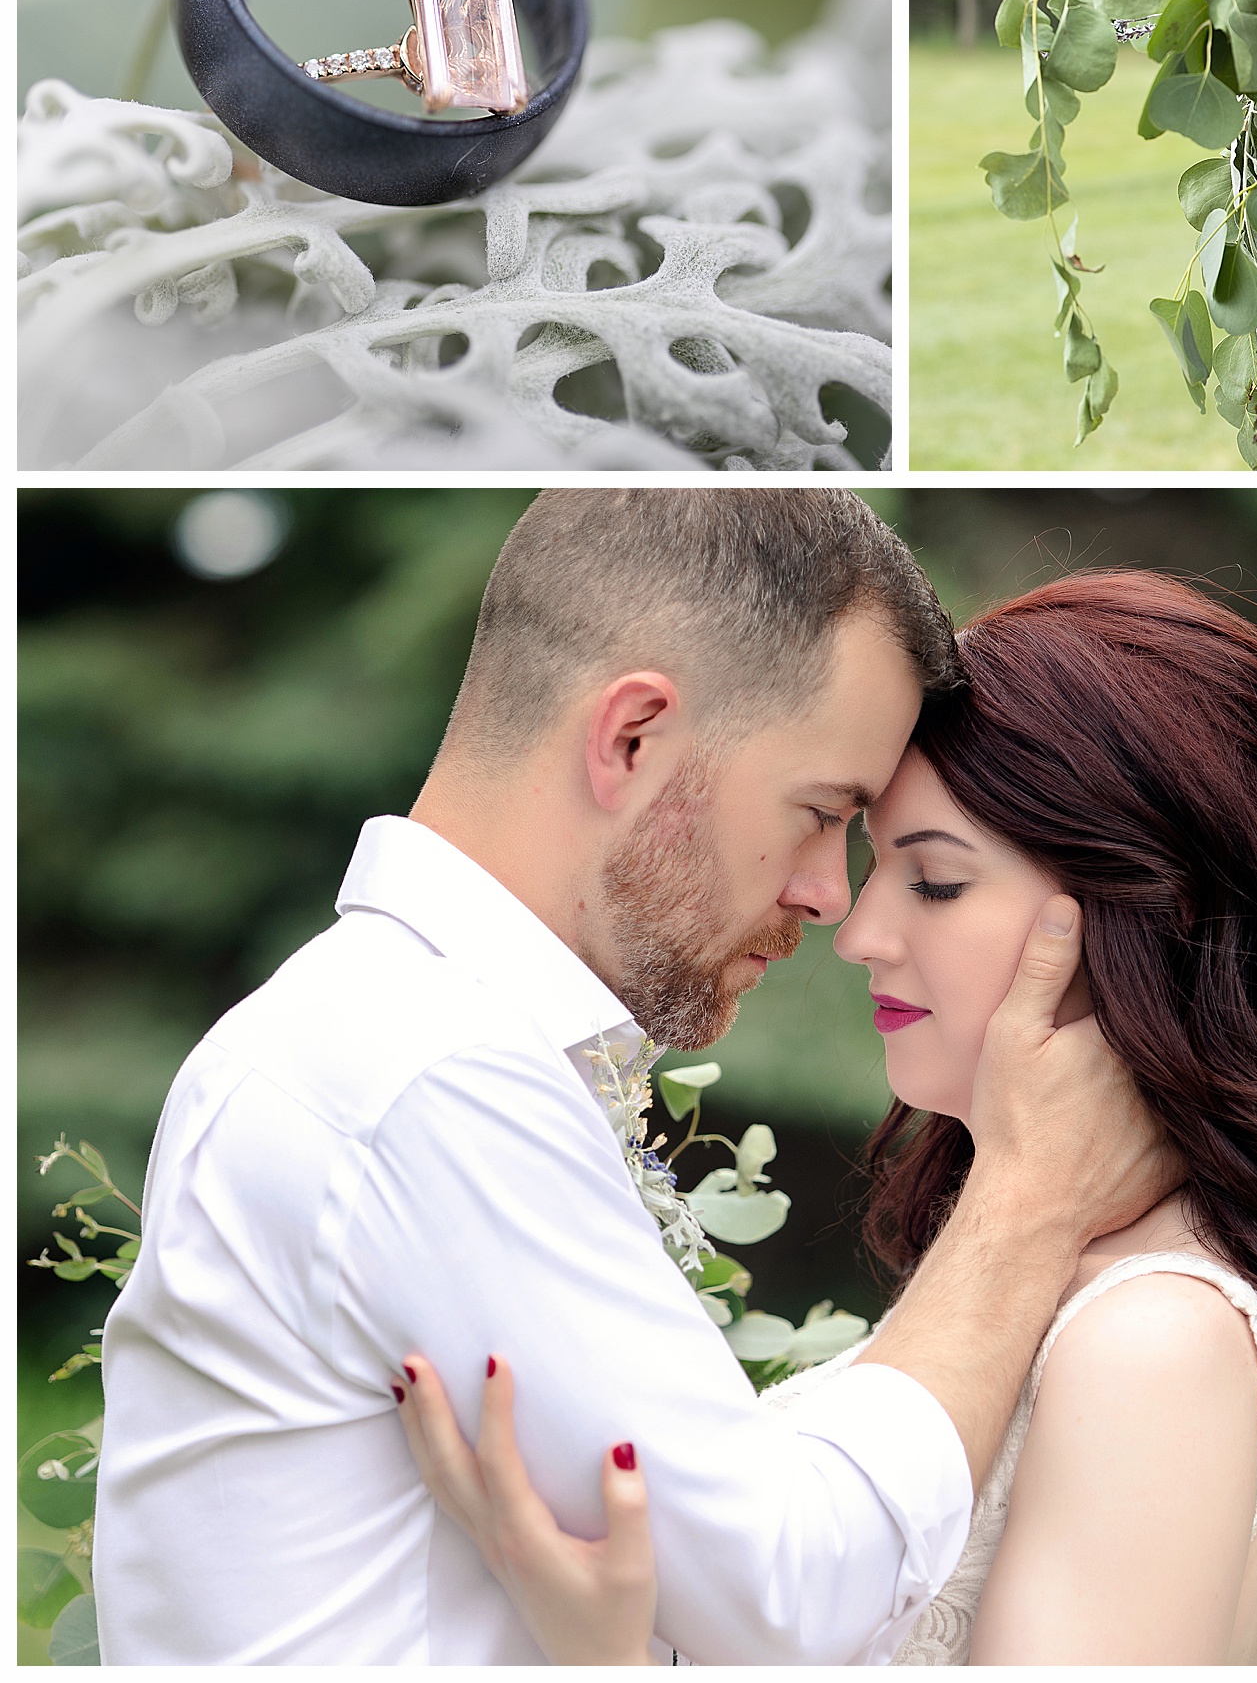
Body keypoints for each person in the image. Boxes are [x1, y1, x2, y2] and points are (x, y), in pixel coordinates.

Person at [93, 494, 1174, 1665]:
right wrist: (1029, 1194)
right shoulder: (428, 1075)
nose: (828, 895)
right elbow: (791, 1594)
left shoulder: (386, 1037)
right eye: (820, 814)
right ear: (632, 740)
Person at [397, 569, 1257, 1664]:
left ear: (1144, 913)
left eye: (934, 883)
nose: (859, 934)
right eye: (872, 863)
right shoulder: (1063, 1287)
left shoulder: (1153, 1345)